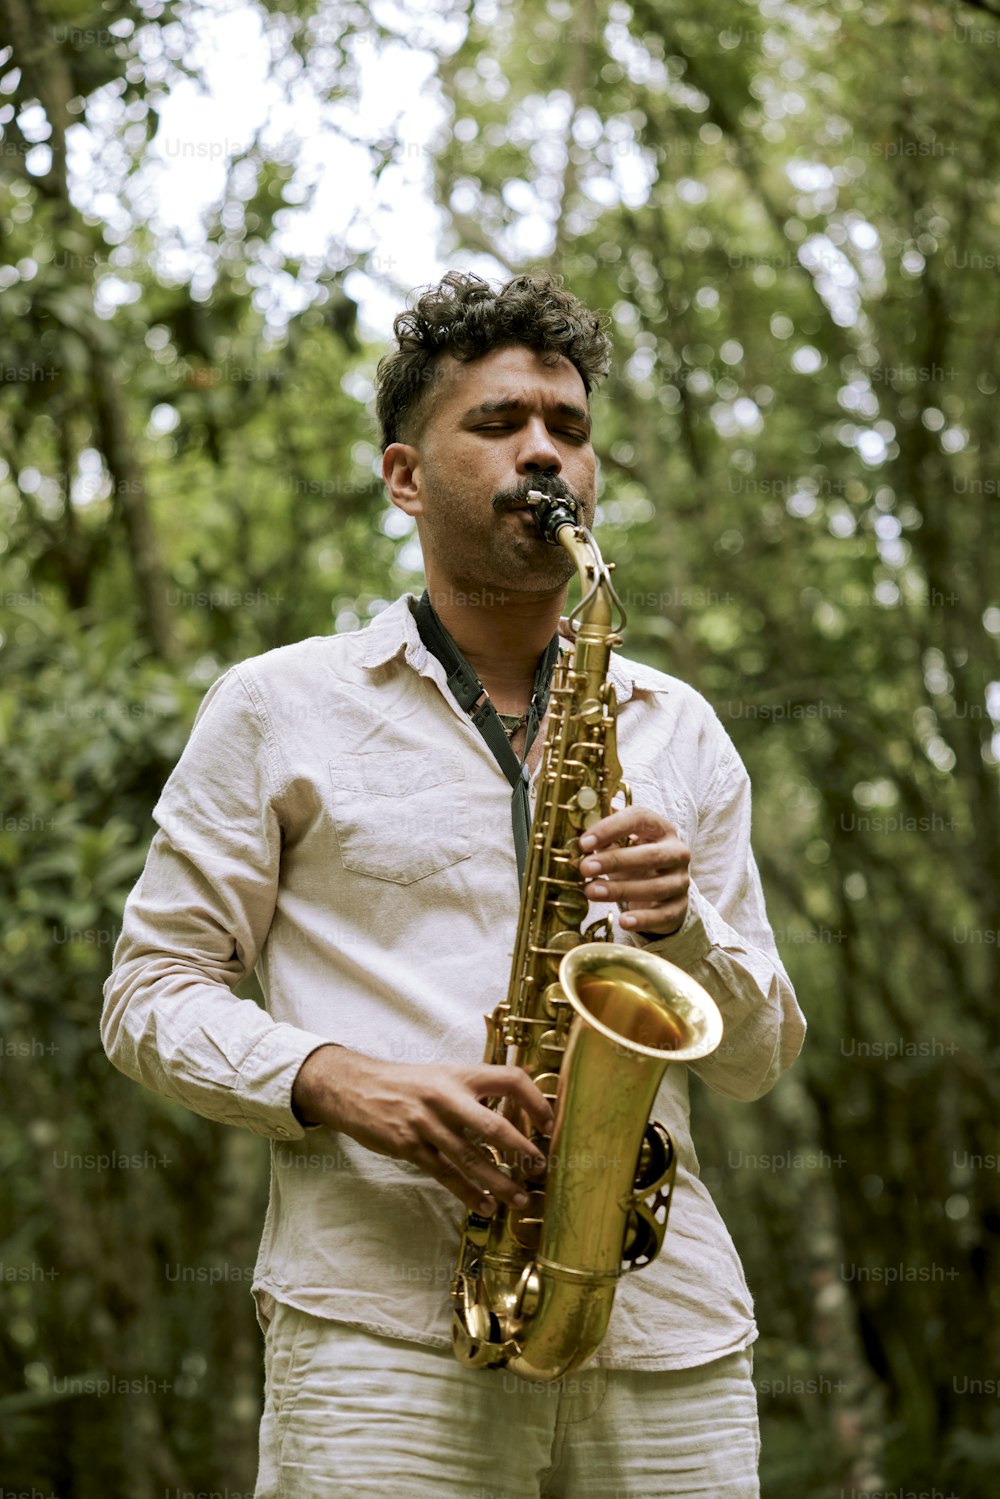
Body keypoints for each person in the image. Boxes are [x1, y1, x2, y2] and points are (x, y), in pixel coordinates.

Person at [102, 270, 805, 1499]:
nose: (545, 455)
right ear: (403, 474)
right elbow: (147, 996)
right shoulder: (277, 706)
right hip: (382, 1340)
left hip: (667, 1337)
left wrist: (681, 928)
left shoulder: (682, 728)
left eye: (569, 430)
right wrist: (335, 1079)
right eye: (497, 424)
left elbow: (753, 1056)